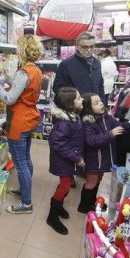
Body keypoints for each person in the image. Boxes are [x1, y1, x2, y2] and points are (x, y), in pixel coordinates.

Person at [0, 34, 43, 214]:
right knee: (26, 159)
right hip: (30, 118)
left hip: (18, 122)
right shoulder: (35, 70)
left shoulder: (23, 72)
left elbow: (9, 98)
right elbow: (22, 85)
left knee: (20, 163)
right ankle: (24, 190)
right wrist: (6, 77)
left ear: (22, 51)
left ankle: (26, 203)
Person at [52, 31, 106, 188]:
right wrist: (75, 101)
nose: (88, 50)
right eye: (85, 47)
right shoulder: (66, 64)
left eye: (92, 47)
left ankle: (83, 170)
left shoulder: (97, 63)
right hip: (74, 111)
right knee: (72, 143)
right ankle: (69, 174)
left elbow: (100, 85)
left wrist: (102, 104)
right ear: (77, 46)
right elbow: (58, 89)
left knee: (88, 142)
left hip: (92, 111)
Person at [77, 93, 128, 213]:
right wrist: (110, 134)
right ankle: (84, 206)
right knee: (91, 182)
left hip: (103, 159)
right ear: (88, 108)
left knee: (98, 179)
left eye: (100, 101)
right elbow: (92, 140)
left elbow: (118, 126)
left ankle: (92, 202)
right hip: (93, 160)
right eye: (96, 103)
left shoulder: (106, 118)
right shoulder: (87, 122)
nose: (101, 104)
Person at [47, 87, 84, 235]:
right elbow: (59, 144)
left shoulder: (73, 115)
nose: (82, 100)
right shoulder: (64, 123)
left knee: (66, 186)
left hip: (69, 159)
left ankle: (59, 206)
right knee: (64, 186)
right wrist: (77, 158)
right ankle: (52, 216)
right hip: (64, 160)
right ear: (70, 105)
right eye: (79, 98)